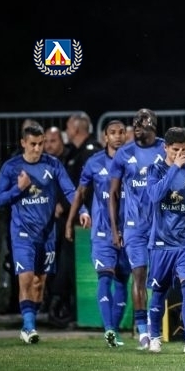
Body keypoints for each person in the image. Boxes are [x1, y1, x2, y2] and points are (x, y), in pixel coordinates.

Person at [0, 125, 87, 343]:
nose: (37, 149)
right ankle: (29, 327)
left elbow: (69, 190)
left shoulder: (53, 164)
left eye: (40, 144)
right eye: (33, 144)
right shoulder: (11, 167)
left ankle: (30, 322)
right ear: (23, 143)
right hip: (22, 234)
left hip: (47, 234)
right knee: (26, 278)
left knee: (39, 283)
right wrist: (19, 188)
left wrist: (82, 210)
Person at [64, 120, 130, 347]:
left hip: (128, 231)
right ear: (105, 137)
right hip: (102, 231)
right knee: (105, 275)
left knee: (122, 281)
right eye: (113, 132)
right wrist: (72, 219)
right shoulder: (94, 162)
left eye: (121, 132)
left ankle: (115, 331)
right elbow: (80, 192)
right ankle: (109, 329)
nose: (118, 136)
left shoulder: (133, 162)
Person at [108, 108, 166, 350]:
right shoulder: (124, 153)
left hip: (162, 227)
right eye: (135, 123)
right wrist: (115, 230)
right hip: (134, 227)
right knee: (139, 276)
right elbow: (113, 194)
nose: (136, 127)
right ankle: (143, 333)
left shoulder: (165, 149)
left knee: (160, 280)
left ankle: (155, 328)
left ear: (153, 124)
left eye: (141, 123)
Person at [144, 127, 185, 353]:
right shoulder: (155, 170)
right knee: (159, 291)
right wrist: (174, 168)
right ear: (165, 148)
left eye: (183, 150)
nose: (179, 154)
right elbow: (154, 195)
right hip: (161, 242)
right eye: (175, 150)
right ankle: (154, 337)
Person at [42, 126, 76, 327]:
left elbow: (75, 188)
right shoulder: (40, 163)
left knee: (64, 264)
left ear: (62, 142)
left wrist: (62, 204)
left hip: (65, 221)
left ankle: (60, 305)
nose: (48, 146)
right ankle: (50, 303)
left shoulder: (69, 161)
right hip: (44, 223)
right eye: (45, 142)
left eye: (53, 141)